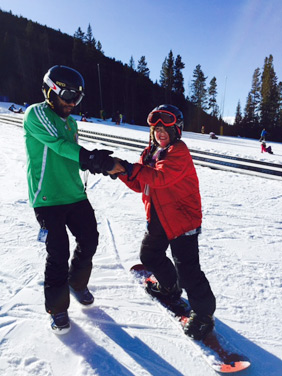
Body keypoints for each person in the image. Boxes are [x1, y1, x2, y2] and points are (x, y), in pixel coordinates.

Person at [23, 65, 124, 334]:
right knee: (58, 252)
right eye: (67, 95)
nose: (71, 103)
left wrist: (99, 164)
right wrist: (90, 157)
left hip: (74, 194)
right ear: (50, 91)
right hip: (48, 198)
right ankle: (57, 309)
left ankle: (77, 283)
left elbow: (70, 156)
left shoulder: (71, 122)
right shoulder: (37, 114)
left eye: (77, 98)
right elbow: (58, 145)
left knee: (90, 239)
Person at [117, 104, 216, 340]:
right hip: (159, 216)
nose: (160, 132)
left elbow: (160, 178)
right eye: (156, 128)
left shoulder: (178, 152)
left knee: (188, 271)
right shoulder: (149, 154)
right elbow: (142, 184)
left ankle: (204, 316)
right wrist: (120, 171)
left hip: (182, 219)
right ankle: (169, 287)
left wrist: (131, 168)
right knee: (149, 256)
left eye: (165, 129)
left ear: (176, 132)